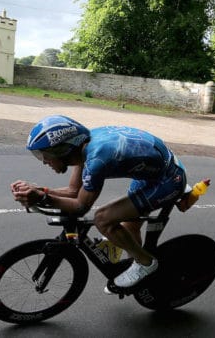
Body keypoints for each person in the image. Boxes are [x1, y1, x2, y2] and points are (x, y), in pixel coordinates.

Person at [11, 115, 193, 289]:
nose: (44, 162)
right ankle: (138, 267)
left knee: (103, 219)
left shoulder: (96, 160)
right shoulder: (82, 145)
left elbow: (80, 206)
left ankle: (146, 263)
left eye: (45, 155)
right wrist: (40, 191)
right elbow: (74, 192)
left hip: (167, 181)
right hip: (154, 171)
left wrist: (42, 198)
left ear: (63, 150)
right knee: (129, 226)